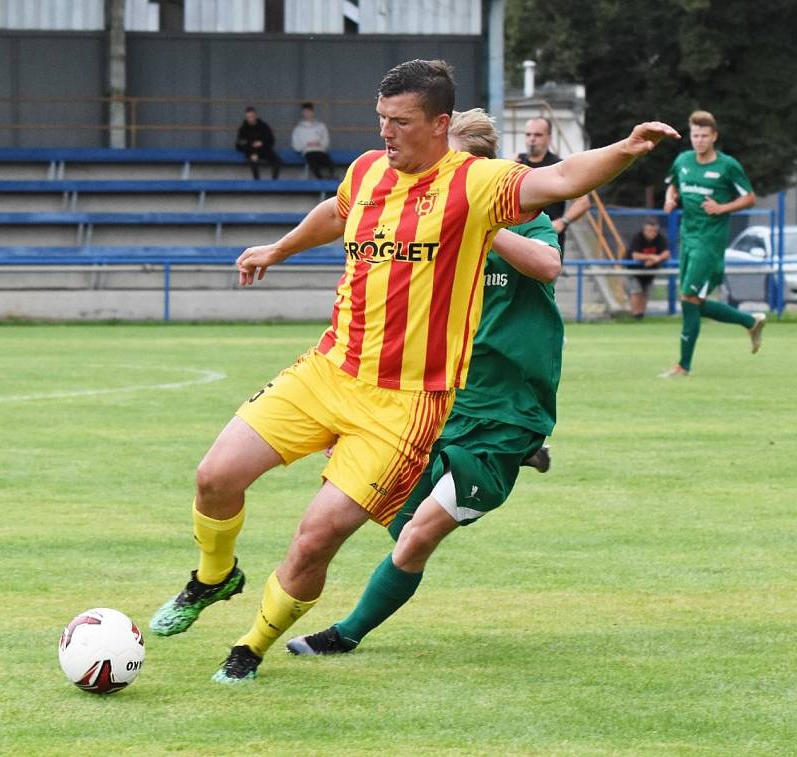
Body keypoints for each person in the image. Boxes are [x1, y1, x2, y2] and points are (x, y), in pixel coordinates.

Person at [148, 58, 677, 684]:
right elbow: (335, 209)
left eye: (400, 122)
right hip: (328, 370)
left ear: (439, 124)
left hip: (404, 407)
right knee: (214, 475)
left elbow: (560, 178)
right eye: (381, 120)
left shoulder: (476, 184)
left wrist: (628, 147)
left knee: (316, 539)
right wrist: (279, 248)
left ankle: (251, 646)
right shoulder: (368, 170)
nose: (385, 134)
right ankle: (214, 577)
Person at [285, 108, 565, 658]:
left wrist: (485, 224)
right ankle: (526, 455)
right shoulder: (429, 217)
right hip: (439, 400)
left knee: (418, 537)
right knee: (387, 516)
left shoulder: (521, 212)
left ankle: (345, 635)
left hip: (506, 407)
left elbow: (548, 266)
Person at [660, 110, 764, 378]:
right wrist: (670, 199)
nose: (699, 141)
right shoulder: (683, 161)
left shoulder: (727, 166)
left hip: (709, 240)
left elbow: (750, 197)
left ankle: (683, 365)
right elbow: (672, 185)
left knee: (689, 298)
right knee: (693, 300)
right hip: (688, 236)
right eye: (695, 135)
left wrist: (722, 207)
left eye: (705, 136)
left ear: (714, 136)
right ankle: (751, 321)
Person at [516, 116, 592, 253]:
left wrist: (563, 222)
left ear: (549, 138)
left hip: (547, 237)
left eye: (538, 135)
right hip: (519, 236)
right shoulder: (516, 163)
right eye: (528, 134)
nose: (532, 139)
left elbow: (583, 202)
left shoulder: (560, 165)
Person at [625, 217, 670, 319]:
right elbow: (635, 255)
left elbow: (666, 253)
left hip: (650, 270)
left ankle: (641, 316)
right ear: (644, 230)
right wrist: (650, 257)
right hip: (634, 270)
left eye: (654, 231)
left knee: (646, 292)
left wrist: (657, 259)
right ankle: (635, 315)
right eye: (649, 231)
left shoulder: (660, 238)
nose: (652, 233)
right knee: (636, 291)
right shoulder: (638, 237)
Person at [235, 106, 282, 180]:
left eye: (252, 116)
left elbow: (271, 140)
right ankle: (257, 184)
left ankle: (274, 183)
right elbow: (239, 145)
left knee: (277, 161)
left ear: (256, 116)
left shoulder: (263, 126)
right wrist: (251, 150)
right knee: (253, 161)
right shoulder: (243, 129)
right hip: (251, 151)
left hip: (265, 149)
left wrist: (262, 143)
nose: (250, 119)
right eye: (248, 117)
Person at [291, 101, 335, 179]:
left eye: (309, 111)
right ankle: (321, 180)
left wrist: (318, 144)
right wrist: (307, 145)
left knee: (330, 163)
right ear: (302, 113)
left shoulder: (321, 126)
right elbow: (296, 146)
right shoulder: (298, 129)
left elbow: (326, 141)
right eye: (305, 112)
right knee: (313, 163)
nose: (308, 113)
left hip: (320, 151)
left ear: (312, 112)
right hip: (308, 152)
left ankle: (332, 179)